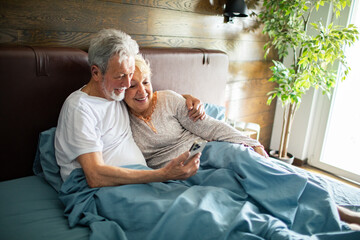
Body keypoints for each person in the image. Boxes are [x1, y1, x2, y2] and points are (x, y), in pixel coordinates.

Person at [123, 54, 360, 231]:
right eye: (132, 85)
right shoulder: (118, 120)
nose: (142, 91)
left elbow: (211, 127)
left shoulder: (168, 99)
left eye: (145, 82)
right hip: (185, 172)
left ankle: (337, 212)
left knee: (247, 160)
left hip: (208, 150)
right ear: (120, 88)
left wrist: (249, 142)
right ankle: (312, 222)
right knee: (237, 188)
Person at [55, 28, 205, 188]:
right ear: (96, 73)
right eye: (120, 76)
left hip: (140, 179)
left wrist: (185, 98)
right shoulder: (80, 108)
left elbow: (148, 99)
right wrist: (162, 175)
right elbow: (95, 177)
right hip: (103, 189)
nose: (127, 84)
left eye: (130, 74)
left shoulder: (116, 93)